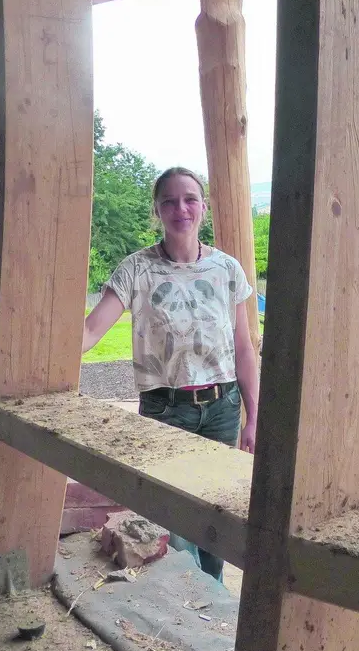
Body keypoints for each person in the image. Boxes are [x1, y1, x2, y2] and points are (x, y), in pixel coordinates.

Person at [81, 167, 259, 583]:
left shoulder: (227, 269)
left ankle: (211, 611)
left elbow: (245, 347)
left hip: (222, 407)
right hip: (166, 410)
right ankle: (199, 608)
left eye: (190, 199)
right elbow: (90, 332)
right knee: (178, 528)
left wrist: (255, 416)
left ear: (204, 206)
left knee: (216, 519)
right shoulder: (136, 270)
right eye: (170, 201)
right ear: (157, 210)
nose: (181, 208)